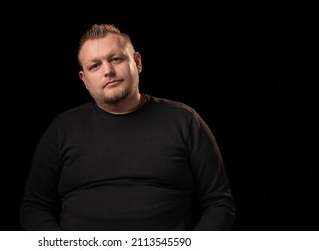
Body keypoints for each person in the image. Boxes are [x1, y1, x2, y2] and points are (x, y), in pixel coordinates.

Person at [19, 23, 236, 231]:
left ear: (137, 62)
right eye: (95, 65)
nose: (108, 71)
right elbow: (33, 207)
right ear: (84, 79)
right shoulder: (63, 129)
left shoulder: (184, 121)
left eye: (115, 59)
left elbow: (219, 203)